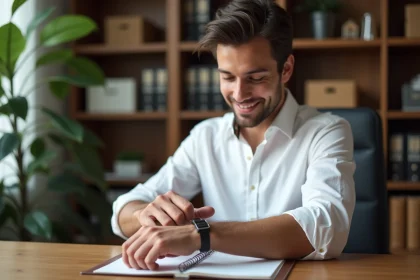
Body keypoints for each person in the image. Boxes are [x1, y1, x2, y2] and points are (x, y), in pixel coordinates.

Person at [111, 0, 356, 271]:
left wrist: (202, 235)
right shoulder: (205, 137)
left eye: (255, 78)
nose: (239, 95)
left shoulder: (327, 131)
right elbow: (124, 209)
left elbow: (326, 226)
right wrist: (144, 214)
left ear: (285, 69)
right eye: (227, 77)